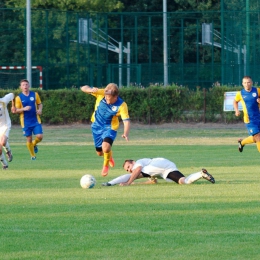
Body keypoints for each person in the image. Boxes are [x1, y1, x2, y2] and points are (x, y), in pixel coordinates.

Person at [81, 83, 130, 177]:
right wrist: (90, 90)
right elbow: (83, 87)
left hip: (110, 128)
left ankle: (105, 165)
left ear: (116, 96)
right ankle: (109, 156)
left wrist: (125, 133)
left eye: (109, 98)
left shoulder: (122, 105)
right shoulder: (101, 92)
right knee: (100, 153)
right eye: (106, 98)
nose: (107, 100)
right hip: (96, 127)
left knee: (106, 147)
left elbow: (126, 121)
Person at [102, 157, 215, 186]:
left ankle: (110, 183)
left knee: (135, 174)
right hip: (167, 166)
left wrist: (128, 183)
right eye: (127, 169)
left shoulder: (139, 163)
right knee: (183, 181)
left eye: (129, 166)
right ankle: (201, 173)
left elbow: (137, 170)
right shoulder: (149, 170)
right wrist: (136, 183)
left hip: (158, 164)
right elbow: (153, 182)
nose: (129, 169)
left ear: (133, 162)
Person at [12, 79, 43, 160]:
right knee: (29, 139)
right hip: (26, 122)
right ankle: (33, 156)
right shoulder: (18, 97)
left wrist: (40, 110)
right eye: (23, 85)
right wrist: (24, 109)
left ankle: (34, 144)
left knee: (40, 136)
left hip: (36, 120)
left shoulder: (35, 94)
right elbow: (15, 110)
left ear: (29, 86)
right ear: (20, 87)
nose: (25, 86)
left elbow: (40, 104)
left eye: (26, 84)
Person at [233, 76, 260, 152]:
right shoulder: (240, 94)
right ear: (242, 84)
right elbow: (235, 101)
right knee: (258, 137)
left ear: (251, 83)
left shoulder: (257, 91)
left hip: (258, 117)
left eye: (248, 82)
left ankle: (242, 142)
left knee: (256, 138)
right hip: (249, 120)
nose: (247, 84)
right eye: (245, 83)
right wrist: (236, 110)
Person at [0, 93, 15, 169]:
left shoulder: (3, 101)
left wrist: (13, 106)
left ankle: (8, 151)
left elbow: (12, 95)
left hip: (5, 125)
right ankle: (5, 165)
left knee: (3, 142)